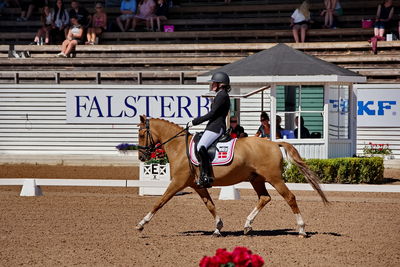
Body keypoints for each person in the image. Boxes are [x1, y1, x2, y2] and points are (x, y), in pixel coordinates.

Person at [187, 72, 231, 188]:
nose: (212, 85)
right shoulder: (221, 94)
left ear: (220, 84)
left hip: (216, 127)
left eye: (214, 83)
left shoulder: (222, 95)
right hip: (214, 126)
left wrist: (195, 122)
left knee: (201, 146)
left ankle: (206, 176)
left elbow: (212, 114)